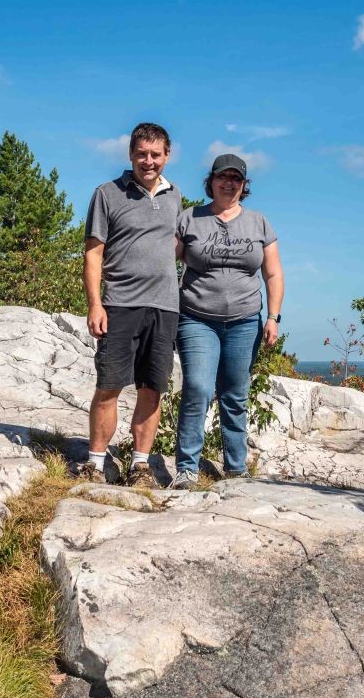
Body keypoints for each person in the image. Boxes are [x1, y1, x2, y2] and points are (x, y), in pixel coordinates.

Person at [170, 153, 284, 490]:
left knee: (235, 394)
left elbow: (273, 273)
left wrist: (273, 317)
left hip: (245, 320)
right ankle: (187, 469)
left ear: (244, 184)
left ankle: (235, 468)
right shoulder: (190, 219)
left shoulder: (259, 223)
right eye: (223, 176)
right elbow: (165, 264)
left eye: (237, 178)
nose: (229, 183)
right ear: (211, 180)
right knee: (198, 389)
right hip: (196, 318)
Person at [82, 122, 183, 483]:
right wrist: (96, 304)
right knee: (109, 385)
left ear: (167, 156)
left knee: (152, 388)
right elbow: (94, 254)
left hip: (165, 307)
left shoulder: (175, 197)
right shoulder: (108, 193)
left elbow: (178, 246)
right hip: (120, 304)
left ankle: (140, 464)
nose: (148, 161)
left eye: (156, 154)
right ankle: (95, 463)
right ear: (130, 155)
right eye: (142, 153)